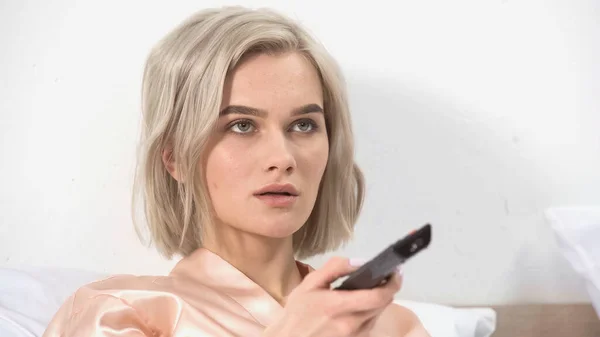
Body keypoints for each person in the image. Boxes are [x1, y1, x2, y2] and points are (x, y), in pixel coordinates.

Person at [42, 6, 430, 337]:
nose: (283, 157)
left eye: (304, 125)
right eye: (242, 125)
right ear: (175, 157)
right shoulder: (117, 314)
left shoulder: (393, 327)